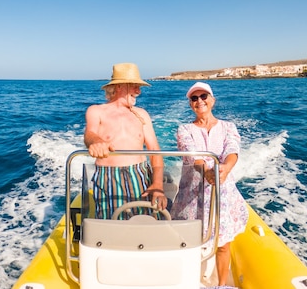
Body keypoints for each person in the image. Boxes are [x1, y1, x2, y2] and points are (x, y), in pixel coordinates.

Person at [171, 81, 249, 287]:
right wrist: (206, 171)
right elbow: (191, 155)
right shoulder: (184, 129)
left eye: (203, 96)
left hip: (223, 196)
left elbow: (232, 150)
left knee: (223, 245)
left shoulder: (228, 127)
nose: (199, 101)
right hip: (192, 197)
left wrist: (225, 168)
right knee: (187, 242)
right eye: (194, 98)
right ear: (190, 104)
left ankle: (222, 284)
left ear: (212, 100)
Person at [84, 62, 168, 219]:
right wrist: (95, 141)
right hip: (108, 177)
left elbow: (155, 151)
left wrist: (157, 185)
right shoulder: (96, 111)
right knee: (112, 223)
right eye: (134, 86)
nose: (138, 91)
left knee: (144, 222)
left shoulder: (142, 114)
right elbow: (90, 133)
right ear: (119, 87)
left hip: (140, 174)